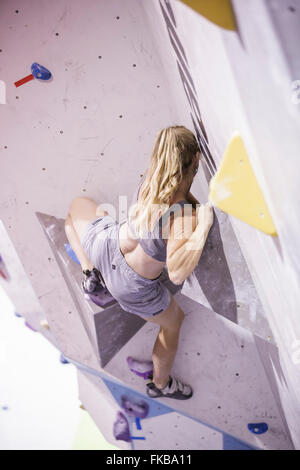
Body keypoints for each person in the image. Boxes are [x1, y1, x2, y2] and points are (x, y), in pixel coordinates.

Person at [65, 125, 214, 400]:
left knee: (76, 208)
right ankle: (161, 384)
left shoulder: (150, 183)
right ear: (195, 158)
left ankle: (91, 276)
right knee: (173, 323)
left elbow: (177, 198)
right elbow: (178, 272)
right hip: (130, 287)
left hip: (105, 246)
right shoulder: (185, 218)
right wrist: (202, 225)